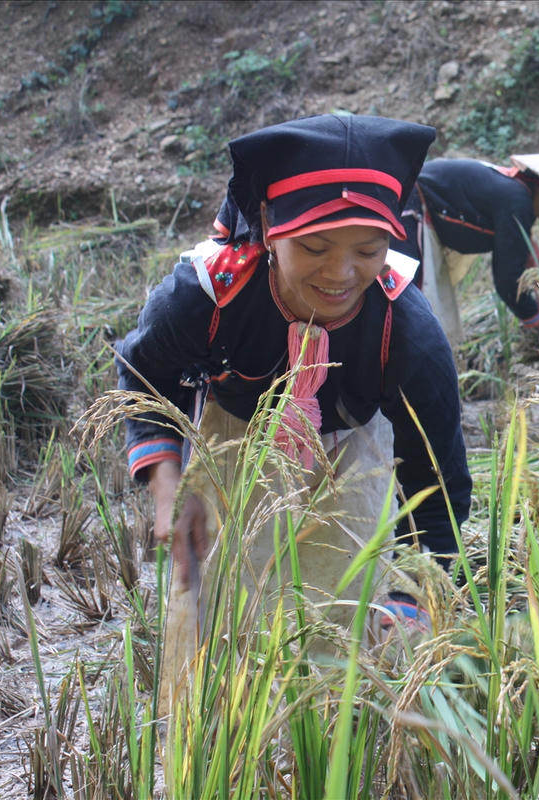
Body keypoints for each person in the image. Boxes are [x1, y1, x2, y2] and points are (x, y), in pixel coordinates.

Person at [115, 113, 471, 708]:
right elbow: (144, 374)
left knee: (351, 608)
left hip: (351, 441)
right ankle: (222, 741)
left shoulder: (405, 332)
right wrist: (168, 485)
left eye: (368, 247)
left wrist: (412, 596)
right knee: (219, 607)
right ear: (268, 230)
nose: (341, 272)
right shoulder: (209, 294)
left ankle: (326, 736)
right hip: (236, 432)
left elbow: (436, 485)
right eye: (313, 245)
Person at [396, 153, 539, 347]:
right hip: (410, 208)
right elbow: (508, 282)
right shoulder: (517, 202)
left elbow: (516, 264)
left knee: (426, 320)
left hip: (417, 205)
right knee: (411, 313)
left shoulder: (517, 196)